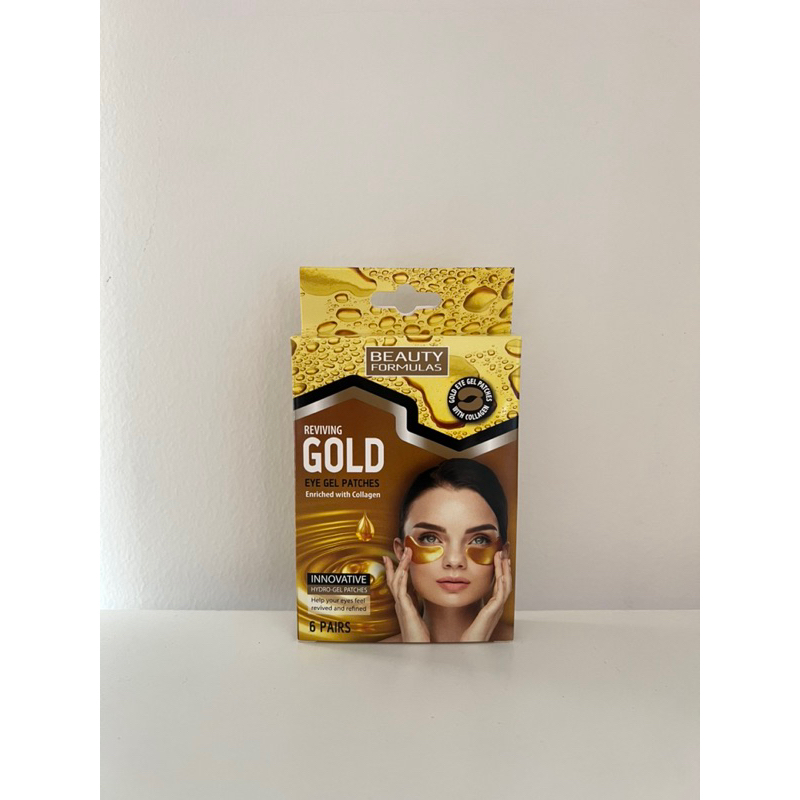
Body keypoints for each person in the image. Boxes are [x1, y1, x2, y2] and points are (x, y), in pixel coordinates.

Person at [380, 458, 513, 642]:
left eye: (479, 540)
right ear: (401, 551)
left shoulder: (529, 650)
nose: (454, 560)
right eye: (430, 538)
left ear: (503, 555)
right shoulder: (369, 655)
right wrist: (415, 651)